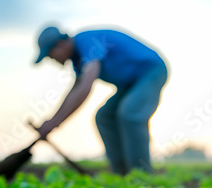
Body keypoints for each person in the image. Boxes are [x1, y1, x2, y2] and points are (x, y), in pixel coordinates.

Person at [34, 25, 168, 175]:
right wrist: (52, 121)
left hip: (151, 71)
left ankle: (142, 175)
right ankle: (122, 175)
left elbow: (85, 86)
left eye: (51, 55)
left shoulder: (85, 41)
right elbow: (74, 91)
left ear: (60, 44)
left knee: (130, 113)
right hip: (130, 84)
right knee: (104, 117)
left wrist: (55, 123)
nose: (53, 59)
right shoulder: (78, 60)